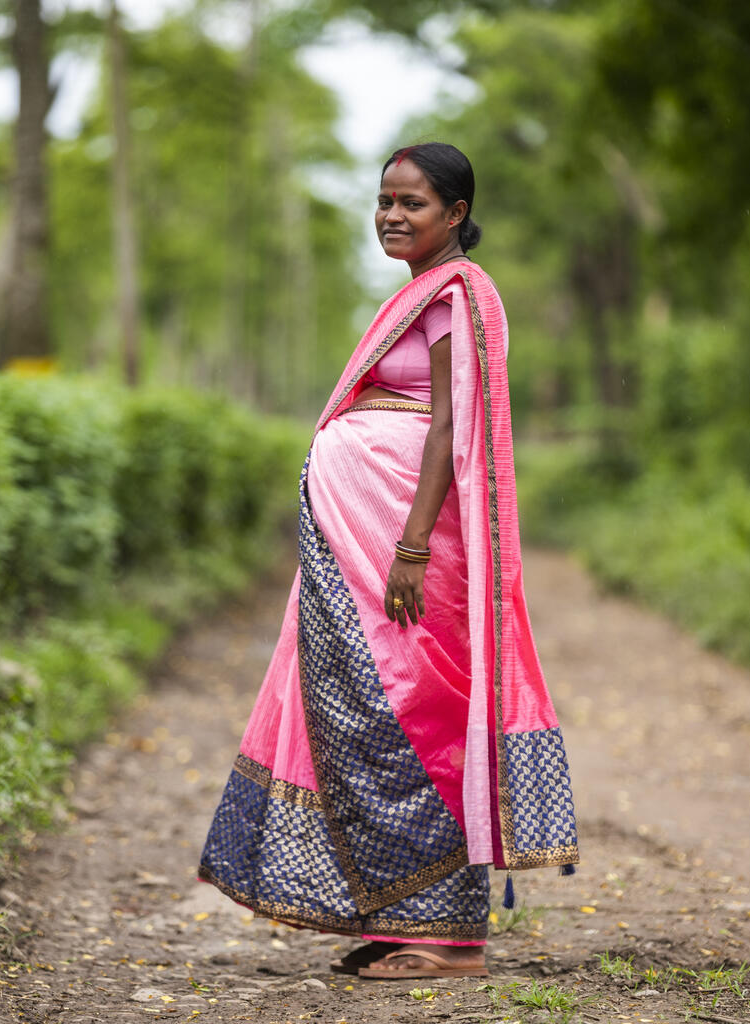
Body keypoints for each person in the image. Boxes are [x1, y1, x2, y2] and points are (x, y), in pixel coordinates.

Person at [198, 141, 578, 980]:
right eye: (385, 201)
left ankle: (448, 940)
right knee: (361, 721)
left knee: (412, 715)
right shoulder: (418, 294)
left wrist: (409, 546)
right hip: (363, 542)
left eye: (413, 203)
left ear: (456, 215)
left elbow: (447, 425)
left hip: (408, 548)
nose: (392, 215)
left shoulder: (457, 294)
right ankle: (401, 912)